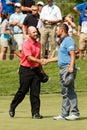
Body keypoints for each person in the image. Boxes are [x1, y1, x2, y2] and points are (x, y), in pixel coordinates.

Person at [9, 26, 46, 119]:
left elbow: (37, 58)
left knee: (35, 92)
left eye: (36, 32)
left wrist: (43, 72)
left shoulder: (38, 44)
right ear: (29, 34)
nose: (36, 33)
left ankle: (35, 113)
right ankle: (12, 107)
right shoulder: (26, 44)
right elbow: (29, 58)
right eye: (33, 32)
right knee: (23, 91)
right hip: (25, 70)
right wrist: (40, 61)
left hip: (36, 70)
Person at [45, 23, 80, 120]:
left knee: (70, 90)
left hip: (68, 68)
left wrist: (71, 67)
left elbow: (72, 55)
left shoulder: (68, 40)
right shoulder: (63, 41)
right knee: (64, 92)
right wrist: (47, 60)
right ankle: (64, 114)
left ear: (62, 30)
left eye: (57, 30)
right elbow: (60, 57)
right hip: (62, 69)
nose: (56, 31)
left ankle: (75, 113)